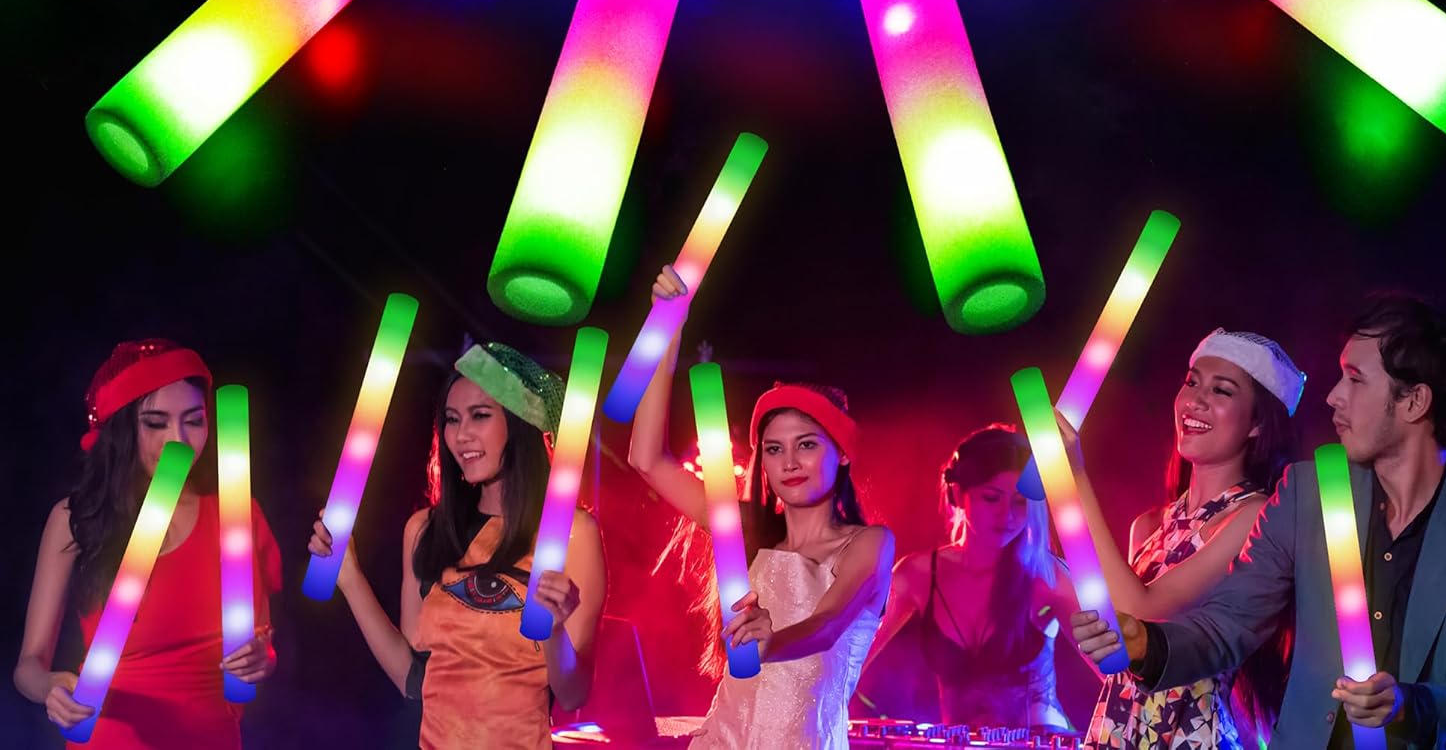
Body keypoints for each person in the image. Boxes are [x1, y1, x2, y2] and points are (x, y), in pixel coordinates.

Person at [1073, 294, 1446, 748]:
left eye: (1355, 380)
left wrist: (1408, 706)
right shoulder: (1307, 492)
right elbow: (1230, 622)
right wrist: (1147, 644)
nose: (1333, 396)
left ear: (1414, 402)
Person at [628, 266, 894, 749]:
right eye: (774, 449)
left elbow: (826, 625)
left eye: (806, 444)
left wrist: (774, 641)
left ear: (842, 453)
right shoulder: (743, 531)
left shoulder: (869, 543)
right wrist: (667, 329)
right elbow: (647, 460)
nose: (789, 462)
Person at [308, 341, 605, 750]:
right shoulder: (425, 530)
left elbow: (573, 695)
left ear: (519, 423)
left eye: (480, 415)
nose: (461, 434)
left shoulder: (572, 534)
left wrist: (554, 632)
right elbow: (413, 678)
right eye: (451, 419)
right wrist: (350, 578)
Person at [14, 338, 279, 747]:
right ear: (122, 429)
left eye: (194, 421)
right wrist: (51, 686)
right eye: (156, 423)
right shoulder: (73, 519)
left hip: (211, 735)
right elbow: (28, 667)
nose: (179, 439)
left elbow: (262, 641)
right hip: (112, 735)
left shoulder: (237, 514)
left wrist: (262, 658)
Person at [1069, 328, 1303, 749]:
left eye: (1221, 390)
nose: (1196, 400)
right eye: (1192, 383)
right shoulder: (1147, 526)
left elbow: (1144, 611)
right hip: (1117, 731)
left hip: (1193, 736)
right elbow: (1122, 658)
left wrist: (1072, 478)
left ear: (1256, 423)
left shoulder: (1255, 516)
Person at [856, 422, 1073, 729]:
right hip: (958, 742)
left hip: (1043, 741)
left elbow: (1114, 666)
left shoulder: (1048, 576)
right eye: (991, 498)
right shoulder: (916, 575)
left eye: (1020, 502)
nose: (1007, 514)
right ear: (958, 494)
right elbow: (850, 656)